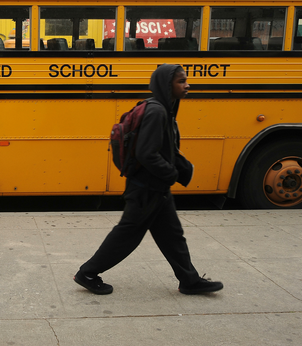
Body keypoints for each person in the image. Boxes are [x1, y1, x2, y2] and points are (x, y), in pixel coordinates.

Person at [74, 64, 223, 295]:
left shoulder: (162, 108)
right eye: (181, 81)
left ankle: (189, 280)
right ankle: (87, 273)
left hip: (154, 187)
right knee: (127, 235)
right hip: (147, 188)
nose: (187, 85)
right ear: (167, 85)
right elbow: (146, 153)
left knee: (172, 236)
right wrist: (171, 173)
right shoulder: (157, 112)